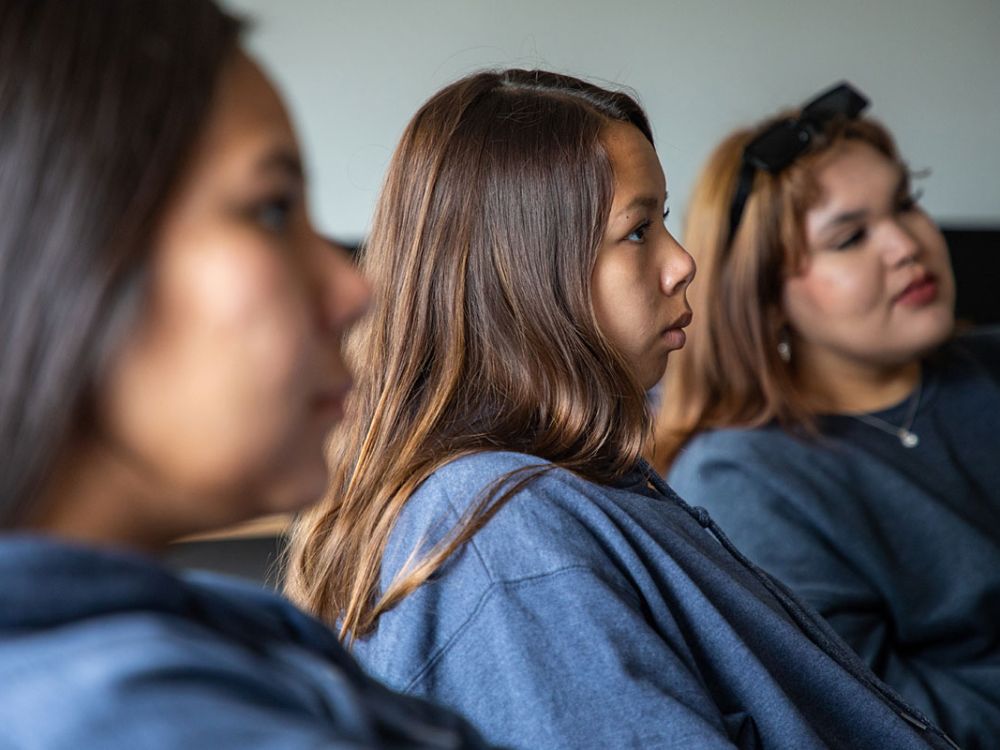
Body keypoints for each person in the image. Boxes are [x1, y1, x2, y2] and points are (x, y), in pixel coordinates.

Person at [285, 69, 958, 749]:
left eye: (664, 221)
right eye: (639, 232)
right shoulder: (503, 537)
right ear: (524, 273)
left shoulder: (571, 489)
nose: (683, 263)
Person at [0, 1, 492, 747]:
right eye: (270, 211)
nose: (354, 288)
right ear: (71, 247)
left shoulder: (211, 630)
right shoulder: (125, 720)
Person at [654, 81, 1000, 748]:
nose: (905, 244)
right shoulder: (745, 478)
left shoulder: (987, 365)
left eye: (907, 203)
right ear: (768, 297)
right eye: (850, 238)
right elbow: (872, 715)